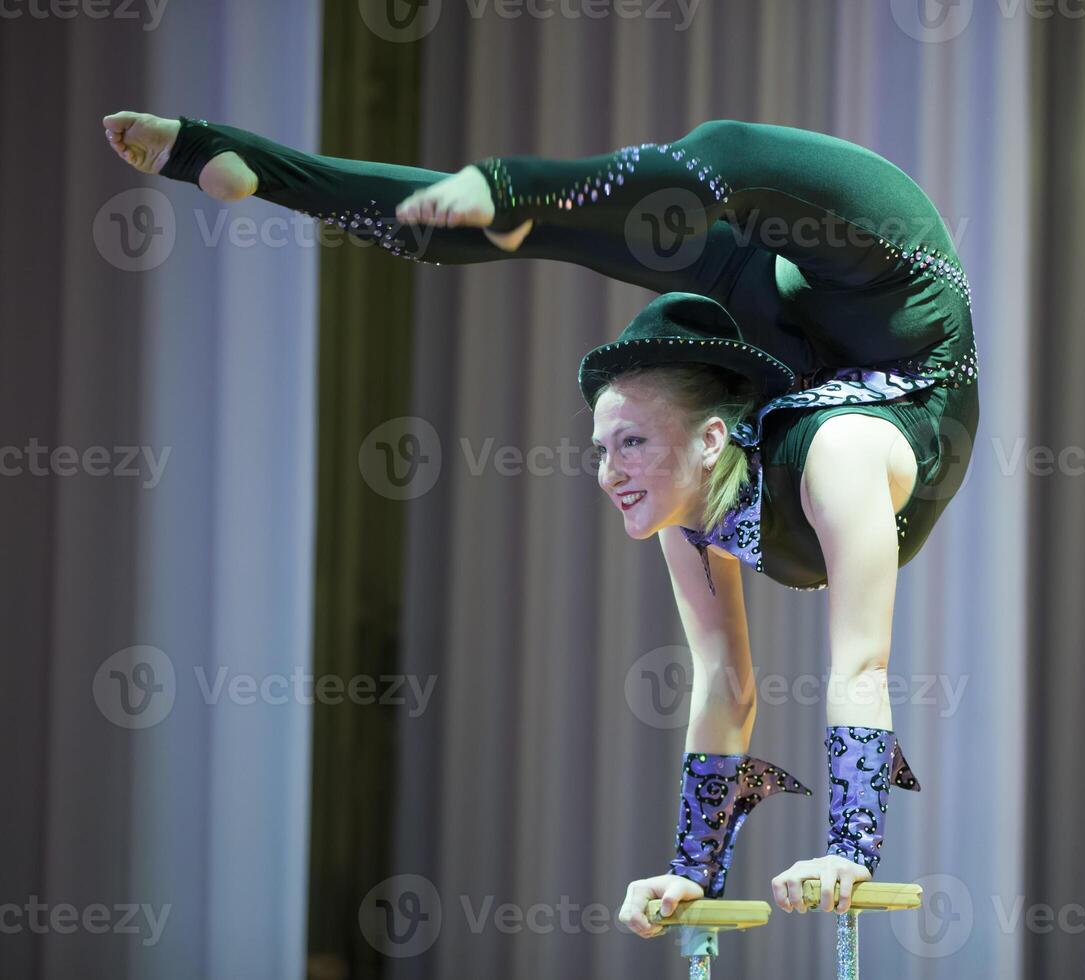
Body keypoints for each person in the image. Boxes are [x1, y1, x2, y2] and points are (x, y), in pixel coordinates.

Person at [102, 110, 979, 937]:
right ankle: (234, 160)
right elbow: (724, 685)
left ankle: (514, 186)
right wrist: (692, 875)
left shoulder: (837, 461)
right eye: (600, 450)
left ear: (711, 440)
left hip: (901, 316)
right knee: (566, 234)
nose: (608, 475)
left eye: (630, 444)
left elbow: (861, 662)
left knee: (720, 155)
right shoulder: (694, 504)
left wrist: (849, 853)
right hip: (795, 334)